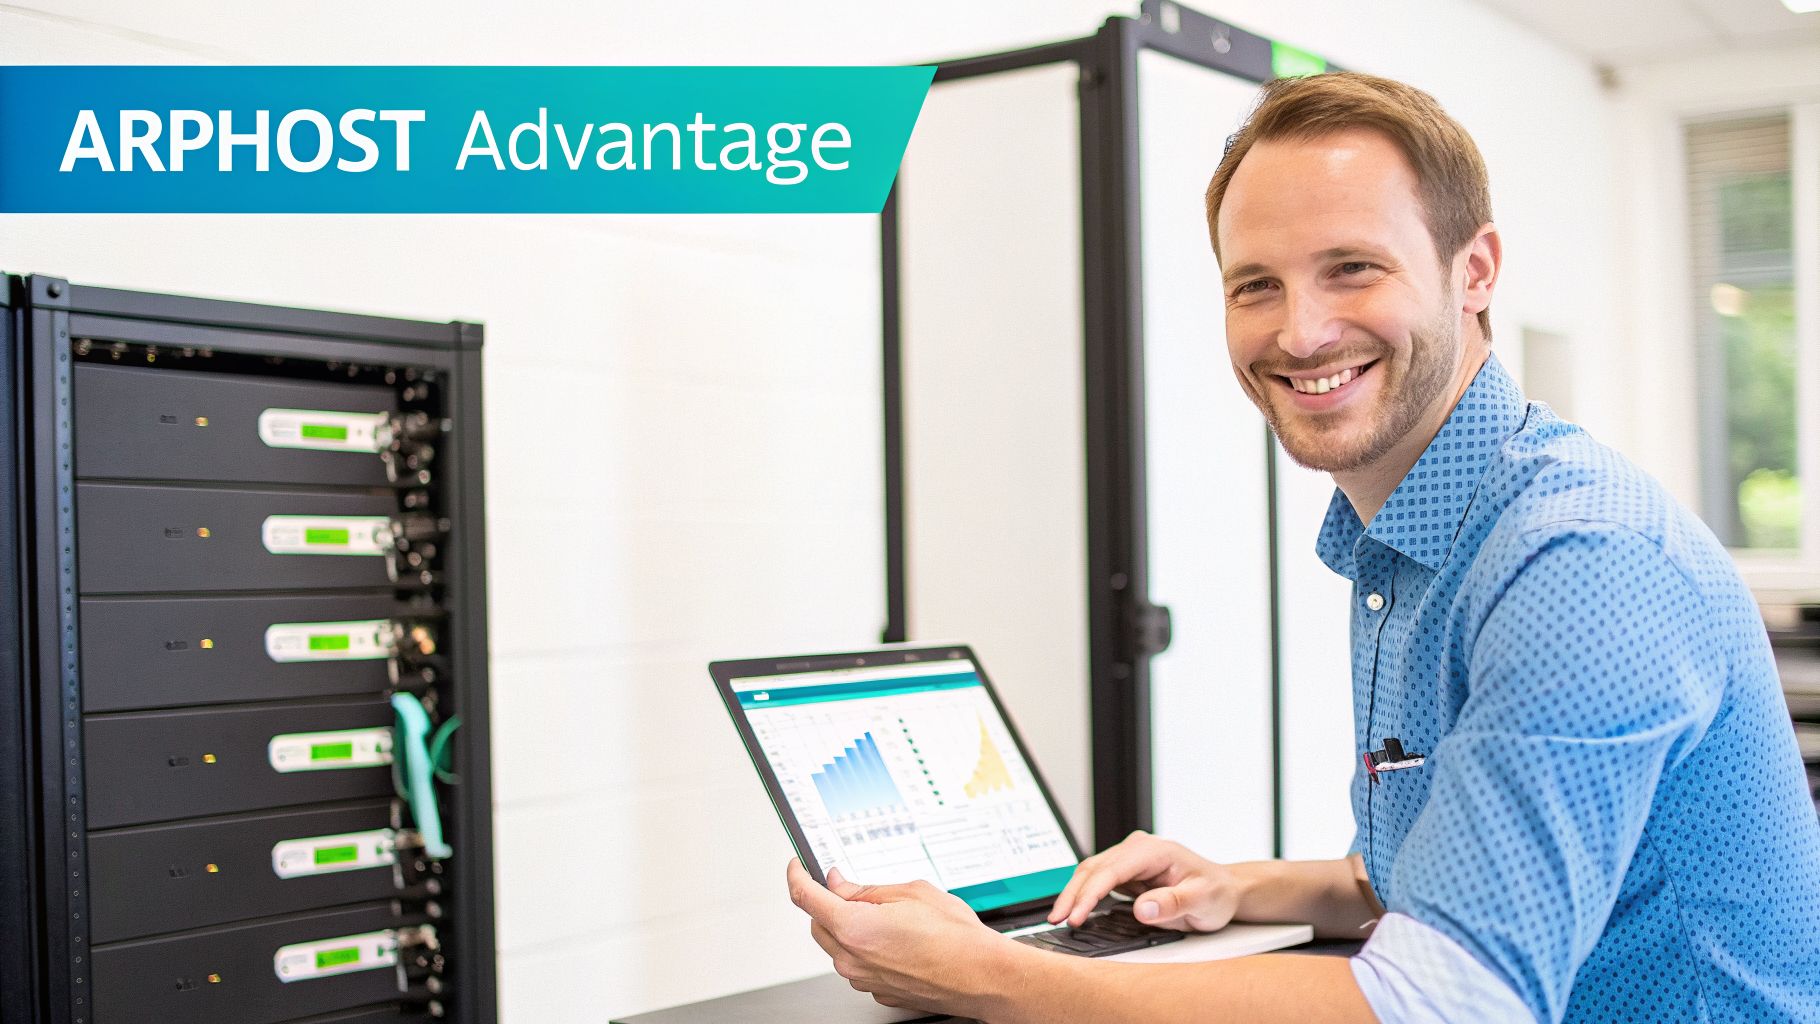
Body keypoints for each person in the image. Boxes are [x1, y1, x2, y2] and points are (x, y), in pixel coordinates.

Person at [786, 70, 1820, 1023]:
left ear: (1474, 271)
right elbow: (1433, 876)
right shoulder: (1418, 530)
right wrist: (1241, 883)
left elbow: (1445, 1000)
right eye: (1255, 286)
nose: (1299, 332)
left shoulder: (1577, 561)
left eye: (1351, 268)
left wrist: (984, 972)